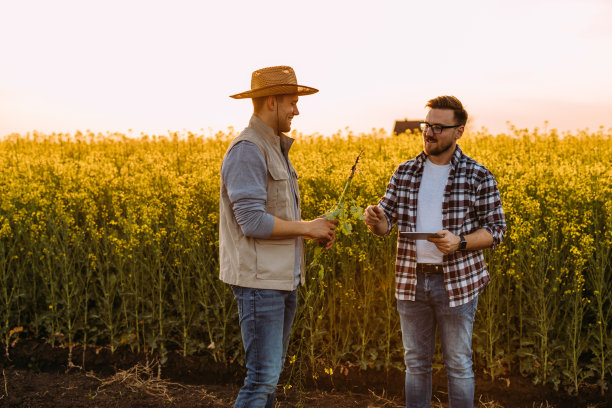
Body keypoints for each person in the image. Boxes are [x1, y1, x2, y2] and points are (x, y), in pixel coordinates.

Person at [363, 96, 506, 408]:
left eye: (439, 127)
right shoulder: (404, 172)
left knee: (458, 364)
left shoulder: (477, 175)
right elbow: (386, 224)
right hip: (411, 281)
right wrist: (376, 221)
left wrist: (460, 242)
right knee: (415, 364)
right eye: (427, 125)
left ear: (459, 131)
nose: (429, 132)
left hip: (457, 282)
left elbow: (497, 230)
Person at [219, 65, 338, 408]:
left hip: (281, 280)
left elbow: (275, 214)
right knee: (261, 379)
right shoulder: (247, 149)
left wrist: (313, 230)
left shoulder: (273, 147)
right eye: (292, 102)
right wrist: (306, 227)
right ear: (271, 101)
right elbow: (252, 222)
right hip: (260, 283)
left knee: (269, 380)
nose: (297, 110)